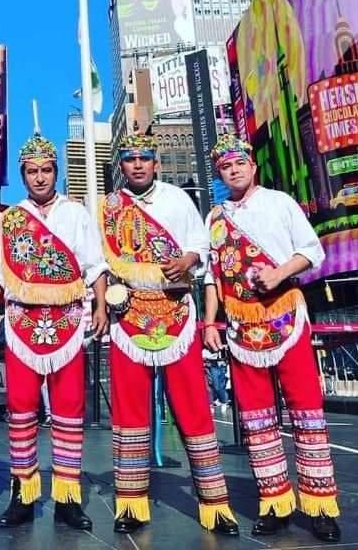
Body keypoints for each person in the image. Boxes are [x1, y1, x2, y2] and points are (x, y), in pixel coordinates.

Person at [99, 131, 238, 536]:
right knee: (129, 411)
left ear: (156, 163)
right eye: (130, 159)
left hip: (176, 312)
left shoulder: (178, 199)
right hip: (128, 318)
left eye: (145, 158)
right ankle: (130, 502)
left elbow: (201, 244)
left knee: (193, 404)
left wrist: (190, 257)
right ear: (121, 165)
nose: (138, 165)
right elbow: (100, 262)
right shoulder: (109, 207)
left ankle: (215, 502)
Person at [203, 134, 340, 543]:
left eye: (239, 163)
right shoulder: (215, 218)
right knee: (256, 417)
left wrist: (278, 274)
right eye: (226, 167)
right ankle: (274, 501)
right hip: (241, 325)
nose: (234, 170)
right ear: (220, 173)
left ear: (252, 165)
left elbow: (312, 250)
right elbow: (212, 276)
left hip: (285, 316)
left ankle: (319, 505)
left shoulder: (280, 202)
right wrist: (211, 322)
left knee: (306, 411)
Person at [0, 129, 108, 531]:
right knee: (21, 408)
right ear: (23, 175)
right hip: (21, 323)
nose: (39, 177)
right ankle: (23, 493)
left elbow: (94, 266)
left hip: (69, 322)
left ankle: (68, 496)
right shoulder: (11, 219)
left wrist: (102, 305)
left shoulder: (75, 213)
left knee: (70, 409)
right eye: (32, 171)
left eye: (46, 170)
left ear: (56, 172)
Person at [203, 345, 229, 410]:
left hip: (219, 364)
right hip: (210, 364)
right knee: (211, 386)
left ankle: (223, 401)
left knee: (218, 386)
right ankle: (214, 401)